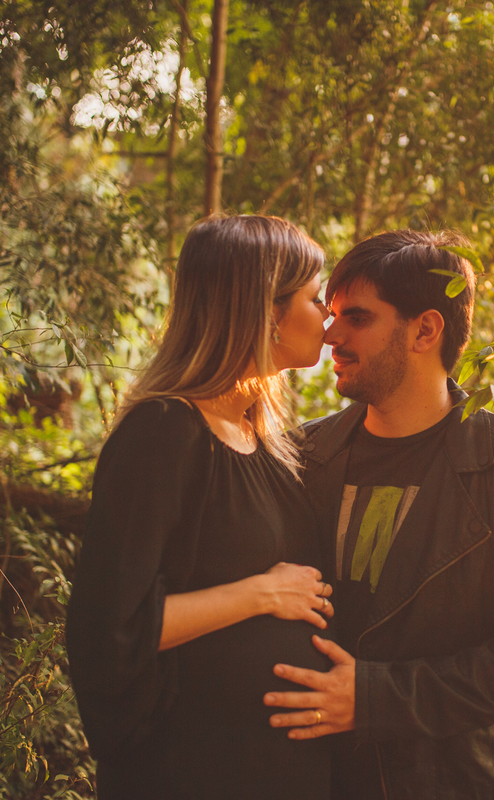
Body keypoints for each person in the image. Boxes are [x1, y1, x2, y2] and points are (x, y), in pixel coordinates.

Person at [262, 229, 494, 799]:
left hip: (458, 782)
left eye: (358, 319)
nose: (331, 335)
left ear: (425, 329)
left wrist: (377, 698)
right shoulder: (300, 458)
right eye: (332, 313)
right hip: (318, 778)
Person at [65, 215, 336, 800]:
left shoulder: (262, 436)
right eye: (316, 299)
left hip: (277, 771)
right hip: (190, 770)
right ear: (266, 309)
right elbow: (107, 629)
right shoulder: (162, 433)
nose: (327, 316)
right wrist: (261, 593)